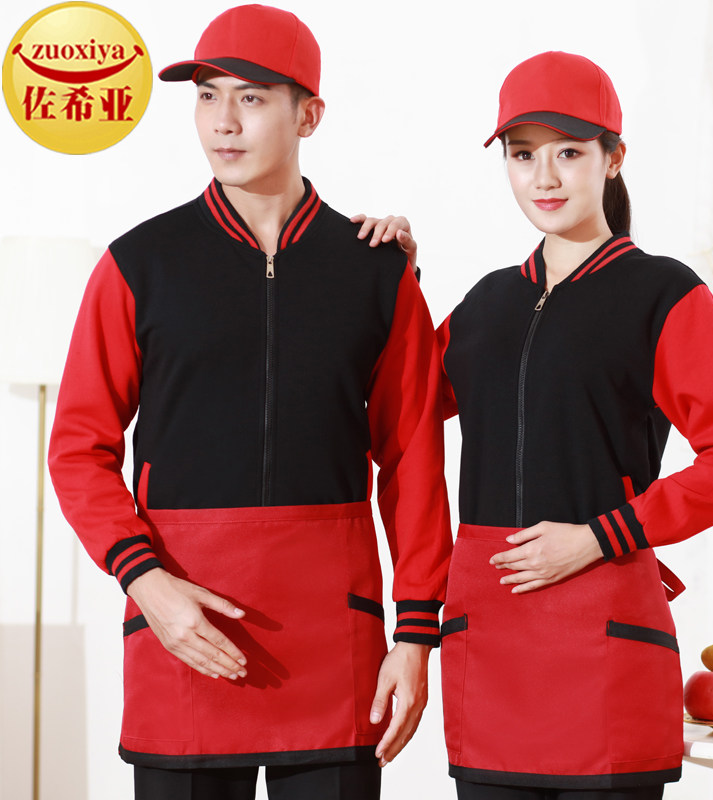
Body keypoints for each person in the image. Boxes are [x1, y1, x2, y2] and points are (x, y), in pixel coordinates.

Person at [47, 5, 452, 799]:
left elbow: (413, 459)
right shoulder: (138, 264)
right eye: (207, 95)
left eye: (252, 98)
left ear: (309, 115)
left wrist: (415, 635)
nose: (222, 122)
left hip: (334, 638)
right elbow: (78, 449)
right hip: (185, 625)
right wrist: (145, 583)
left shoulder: (376, 272)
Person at [358, 51, 713, 799]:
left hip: (604, 640)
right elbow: (397, 409)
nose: (543, 177)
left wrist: (598, 536)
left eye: (569, 153)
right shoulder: (485, 306)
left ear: (614, 158)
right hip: (490, 644)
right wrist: (397, 282)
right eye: (523, 155)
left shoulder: (665, 296)